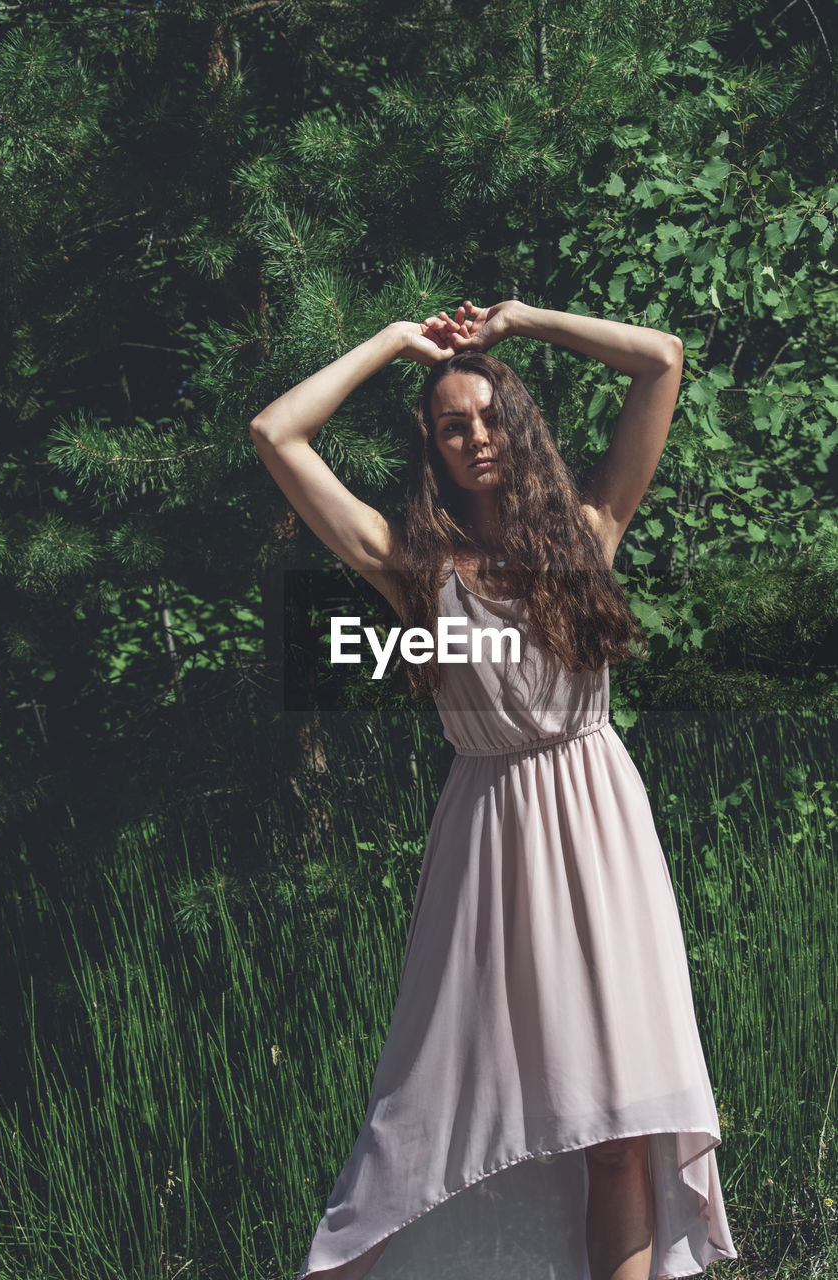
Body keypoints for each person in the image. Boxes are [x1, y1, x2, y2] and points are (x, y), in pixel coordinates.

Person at [249, 300, 738, 1280]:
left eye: (487, 417)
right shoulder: (411, 566)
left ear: (519, 427)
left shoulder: (591, 530)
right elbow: (276, 431)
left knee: (621, 1120)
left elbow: (661, 360)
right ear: (431, 444)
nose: (475, 437)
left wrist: (519, 321)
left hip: (602, 829)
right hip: (488, 840)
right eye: (451, 424)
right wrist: (397, 341)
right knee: (429, 1099)